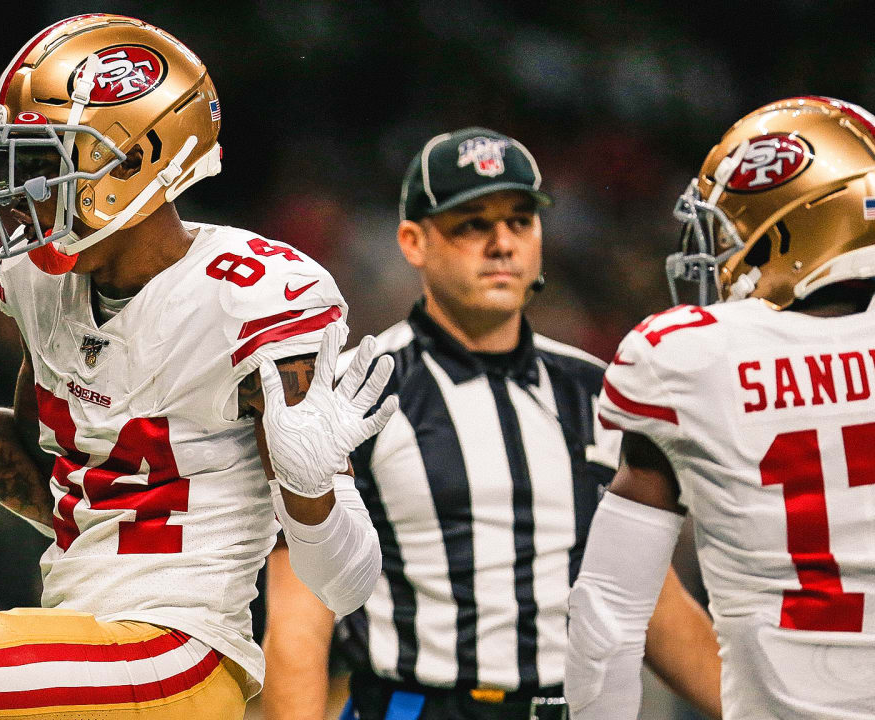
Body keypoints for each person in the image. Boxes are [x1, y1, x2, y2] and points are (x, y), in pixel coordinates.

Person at [0, 14, 396, 720]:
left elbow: (347, 580)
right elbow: (51, 494)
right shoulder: (42, 284)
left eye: (50, 164)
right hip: (87, 646)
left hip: (176, 653)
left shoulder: (255, 298)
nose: (25, 191)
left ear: (138, 161)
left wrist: (311, 492)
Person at [262, 128, 724, 720]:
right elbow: (300, 618)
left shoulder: (598, 390)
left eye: (520, 220)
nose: (502, 243)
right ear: (413, 241)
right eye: (472, 224)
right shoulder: (356, 391)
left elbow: (648, 600)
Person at [565, 96, 875, 720]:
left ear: (793, 227)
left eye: (733, 232)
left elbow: (608, 613)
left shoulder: (688, 360)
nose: (724, 254)